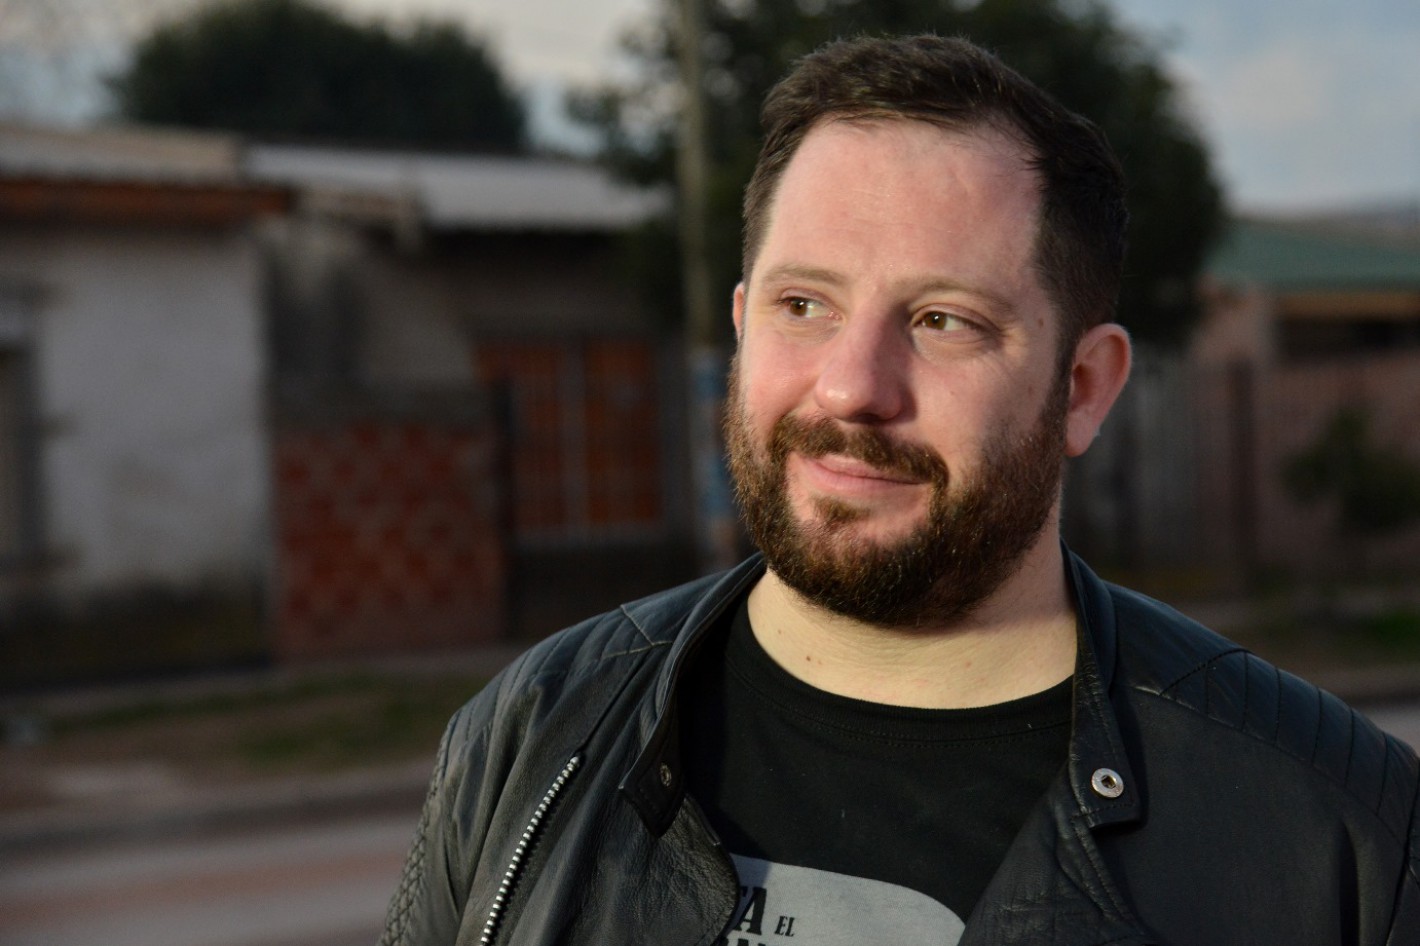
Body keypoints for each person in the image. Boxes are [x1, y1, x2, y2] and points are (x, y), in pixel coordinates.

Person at [379, 34, 1420, 946]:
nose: (850, 387)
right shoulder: (532, 734)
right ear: (742, 328)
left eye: (942, 321)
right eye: (803, 304)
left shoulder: (1337, 833)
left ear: (1083, 387)